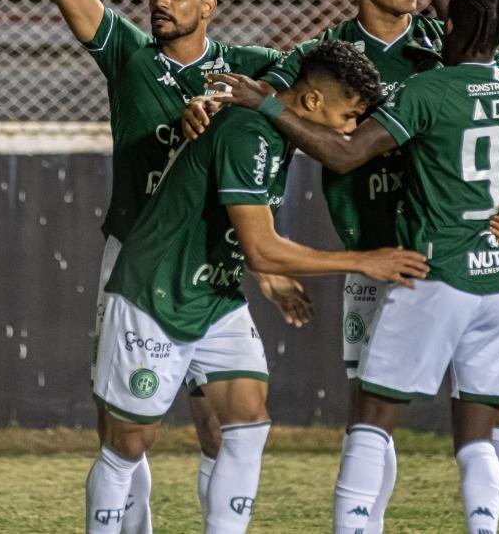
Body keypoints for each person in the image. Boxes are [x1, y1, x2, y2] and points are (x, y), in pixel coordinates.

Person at [185, 0, 499, 533]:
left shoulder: (442, 41)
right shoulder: (325, 54)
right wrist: (207, 102)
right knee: (373, 410)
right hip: (376, 255)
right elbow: (270, 114)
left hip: (453, 257)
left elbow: (491, 132)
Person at [40, 0, 312, 533]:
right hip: (132, 258)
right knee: (123, 424)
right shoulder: (130, 54)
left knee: (223, 425)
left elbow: (311, 91)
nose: (159, 3)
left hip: (209, 264)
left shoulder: (248, 68)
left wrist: (236, 105)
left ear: (210, 5)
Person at [87, 41, 431, 534]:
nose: (352, 130)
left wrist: (268, 277)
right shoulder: (249, 132)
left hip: (216, 294)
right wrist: (363, 261)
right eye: (350, 115)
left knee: (247, 424)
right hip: (156, 292)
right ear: (312, 102)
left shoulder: (276, 132)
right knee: (128, 446)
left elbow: (233, 228)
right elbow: (261, 246)